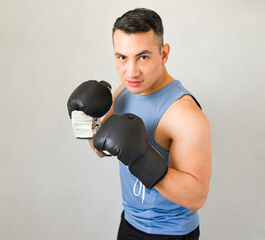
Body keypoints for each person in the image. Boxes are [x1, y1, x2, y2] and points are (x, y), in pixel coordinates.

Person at [67, 8, 211, 240]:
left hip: (170, 234)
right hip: (130, 223)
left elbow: (197, 198)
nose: (131, 71)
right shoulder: (123, 93)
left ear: (164, 54)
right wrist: (84, 121)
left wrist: (141, 157)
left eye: (143, 57)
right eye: (122, 57)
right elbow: (102, 148)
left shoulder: (185, 115)